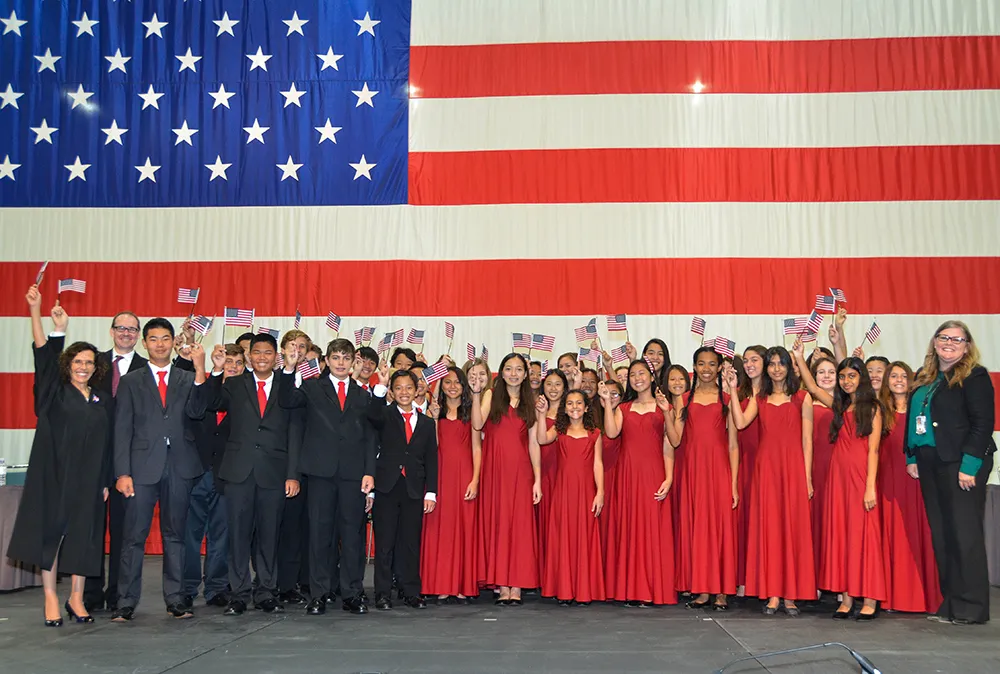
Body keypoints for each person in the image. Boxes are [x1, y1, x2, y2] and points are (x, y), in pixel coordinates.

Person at [6, 286, 109, 627]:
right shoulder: (52, 393)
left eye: (89, 363)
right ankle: (50, 596)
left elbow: (108, 443)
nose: (83, 367)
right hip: (55, 475)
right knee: (52, 535)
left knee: (85, 536)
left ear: (96, 368)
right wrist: (40, 316)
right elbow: (42, 354)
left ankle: (76, 597)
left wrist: (106, 479)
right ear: (68, 365)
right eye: (78, 362)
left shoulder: (102, 400)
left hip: (90, 479)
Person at [111, 319, 209, 622]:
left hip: (179, 465)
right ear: (145, 343)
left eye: (166, 339)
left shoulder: (186, 376)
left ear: (173, 342)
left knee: (175, 535)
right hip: (140, 468)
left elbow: (197, 411)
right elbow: (122, 429)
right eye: (154, 339)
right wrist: (122, 472)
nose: (160, 345)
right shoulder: (131, 380)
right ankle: (126, 601)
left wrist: (201, 368)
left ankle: (177, 599)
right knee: (133, 537)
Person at [203, 336, 303, 615]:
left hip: (274, 473)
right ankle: (238, 594)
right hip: (239, 472)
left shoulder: (287, 385)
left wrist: (292, 474)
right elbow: (210, 402)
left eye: (268, 353)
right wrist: (216, 370)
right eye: (256, 352)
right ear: (249, 357)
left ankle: (266, 592)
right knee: (238, 536)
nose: (261, 357)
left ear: (277, 356)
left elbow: (294, 433)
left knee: (269, 536)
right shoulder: (234, 384)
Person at [905, 321, 996, 625]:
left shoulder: (974, 376)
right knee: (943, 535)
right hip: (931, 462)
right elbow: (916, 420)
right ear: (934, 342)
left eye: (957, 339)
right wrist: (912, 455)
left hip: (962, 464)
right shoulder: (926, 377)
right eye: (944, 337)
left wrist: (969, 466)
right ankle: (952, 604)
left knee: (964, 533)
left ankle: (972, 607)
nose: (949, 343)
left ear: (967, 345)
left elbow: (983, 425)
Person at [279, 338, 376, 616]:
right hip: (320, 474)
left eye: (346, 358)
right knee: (320, 535)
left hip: (354, 475)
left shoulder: (362, 393)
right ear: (327, 361)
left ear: (353, 361)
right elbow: (286, 400)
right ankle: (319, 594)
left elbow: (370, 437)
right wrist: (289, 367)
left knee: (353, 536)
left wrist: (369, 471)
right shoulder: (311, 387)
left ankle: (352, 594)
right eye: (335, 357)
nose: (341, 363)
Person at [794, 345, 885, 620]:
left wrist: (870, 486)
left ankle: (869, 598)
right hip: (837, 478)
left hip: (859, 478)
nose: (846, 381)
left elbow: (874, 449)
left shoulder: (873, 408)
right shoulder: (840, 405)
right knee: (843, 534)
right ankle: (846, 598)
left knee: (864, 535)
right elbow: (811, 386)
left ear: (862, 379)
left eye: (851, 376)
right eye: (842, 376)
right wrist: (798, 357)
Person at [726, 347, 815, 617]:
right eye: (772, 364)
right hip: (766, 471)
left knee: (792, 530)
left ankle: (791, 594)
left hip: (793, 469)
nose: (776, 369)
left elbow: (807, 441)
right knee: (771, 530)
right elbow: (740, 423)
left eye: (781, 364)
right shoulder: (759, 397)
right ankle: (773, 594)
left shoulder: (803, 398)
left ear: (789, 367)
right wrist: (731, 389)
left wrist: (807, 476)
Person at [83, 310, 147, 613]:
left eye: (133, 329)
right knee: (92, 528)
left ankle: (119, 594)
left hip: (130, 461)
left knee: (125, 530)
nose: (126, 333)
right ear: (111, 331)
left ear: (139, 336)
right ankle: (89, 593)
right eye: (121, 328)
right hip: (94, 458)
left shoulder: (148, 368)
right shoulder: (92, 366)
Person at [665, 347, 738, 611]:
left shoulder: (728, 399)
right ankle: (702, 589)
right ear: (694, 367)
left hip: (718, 471)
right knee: (697, 528)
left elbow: (733, 445)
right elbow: (675, 439)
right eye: (701, 364)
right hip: (693, 472)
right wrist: (666, 412)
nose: (706, 368)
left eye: (711, 364)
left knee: (719, 529)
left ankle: (721, 591)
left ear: (719, 368)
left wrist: (733, 483)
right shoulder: (684, 398)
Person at [601, 359, 677, 607]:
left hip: (654, 472)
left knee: (652, 530)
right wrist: (608, 405)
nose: (637, 378)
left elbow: (672, 442)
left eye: (641, 373)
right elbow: (611, 433)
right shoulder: (623, 407)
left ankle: (652, 588)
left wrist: (669, 476)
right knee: (632, 530)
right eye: (632, 374)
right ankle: (633, 589)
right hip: (628, 474)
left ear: (651, 376)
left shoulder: (663, 405)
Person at [472, 352, 542, 605]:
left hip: (521, 471)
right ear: (501, 372)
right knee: (499, 525)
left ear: (526, 374)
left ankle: (518, 585)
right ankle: (502, 585)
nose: (514, 373)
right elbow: (478, 424)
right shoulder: (492, 395)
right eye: (509, 369)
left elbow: (534, 443)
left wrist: (537, 480)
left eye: (519, 369)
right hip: (495, 471)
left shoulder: (531, 402)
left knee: (520, 528)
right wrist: (478, 392)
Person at [369, 369, 438, 610]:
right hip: (387, 486)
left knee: (410, 543)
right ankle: (382, 593)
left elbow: (431, 459)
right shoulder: (384, 415)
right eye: (398, 388)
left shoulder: (427, 423)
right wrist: (380, 385)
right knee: (385, 543)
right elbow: (371, 414)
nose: (404, 392)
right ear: (391, 391)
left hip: (414, 489)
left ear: (417, 389)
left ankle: (411, 591)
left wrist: (431, 492)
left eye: (409, 387)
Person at [182, 344, 244, 610]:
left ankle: (216, 587)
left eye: (238, 362)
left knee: (222, 535)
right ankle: (185, 588)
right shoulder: (202, 386)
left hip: (227, 475)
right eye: (227, 361)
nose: (233, 366)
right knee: (190, 535)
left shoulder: (247, 395)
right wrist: (213, 371)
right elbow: (196, 410)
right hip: (196, 471)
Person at [878, 361, 941, 614]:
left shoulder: (921, 409)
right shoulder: (879, 410)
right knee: (893, 537)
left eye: (904, 375)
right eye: (893, 376)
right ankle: (893, 597)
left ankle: (923, 598)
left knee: (918, 534)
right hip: (887, 482)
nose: (899, 380)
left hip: (915, 480)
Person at [535, 390, 606, 605]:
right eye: (570, 403)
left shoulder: (595, 433)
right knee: (563, 537)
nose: (574, 407)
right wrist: (541, 414)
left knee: (584, 538)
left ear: (586, 408)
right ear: (564, 408)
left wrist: (600, 492)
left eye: (578, 403)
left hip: (585, 493)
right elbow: (540, 439)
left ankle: (584, 590)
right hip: (563, 493)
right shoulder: (559, 430)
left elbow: (598, 463)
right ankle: (563, 590)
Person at [422, 367, 481, 602]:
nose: (453, 386)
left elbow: (477, 447)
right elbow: (432, 447)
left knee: (465, 528)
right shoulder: (435, 412)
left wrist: (475, 479)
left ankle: (461, 584)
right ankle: (441, 583)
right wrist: (434, 419)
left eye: (457, 382)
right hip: (441, 474)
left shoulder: (470, 412)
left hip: (465, 474)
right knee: (440, 528)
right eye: (447, 382)